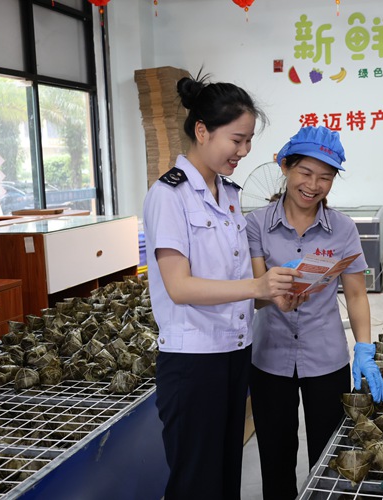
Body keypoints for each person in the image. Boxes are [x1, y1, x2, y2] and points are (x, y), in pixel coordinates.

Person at [143, 74, 302, 500]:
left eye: (249, 141)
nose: (244, 151)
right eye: (237, 139)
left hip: (234, 353)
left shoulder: (229, 194)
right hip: (193, 362)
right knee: (196, 481)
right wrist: (256, 286)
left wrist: (272, 292)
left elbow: (232, 279)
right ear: (202, 131)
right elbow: (179, 287)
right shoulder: (168, 195)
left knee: (227, 473)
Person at [245, 126, 383, 499]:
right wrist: (273, 293)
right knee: (275, 459)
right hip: (269, 358)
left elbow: (356, 295)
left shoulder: (342, 229)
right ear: (285, 167)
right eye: (305, 173)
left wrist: (365, 349)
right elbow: (255, 295)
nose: (313, 185)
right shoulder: (256, 224)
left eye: (325, 177)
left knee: (330, 459)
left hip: (326, 358)